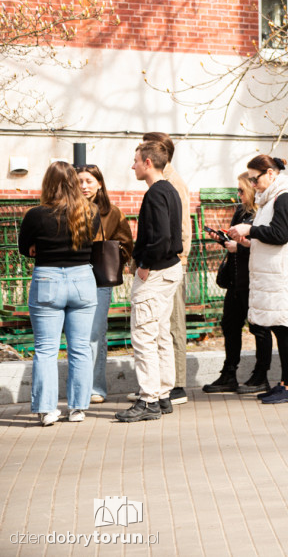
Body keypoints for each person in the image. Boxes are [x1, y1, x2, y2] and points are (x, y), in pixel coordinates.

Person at [19, 161, 99, 425]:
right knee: (80, 348)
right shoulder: (91, 211)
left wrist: (37, 248)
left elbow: (24, 247)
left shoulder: (35, 214)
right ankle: (77, 408)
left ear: (47, 183)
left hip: (47, 279)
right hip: (82, 280)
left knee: (45, 349)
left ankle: (46, 410)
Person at [227, 155, 288, 404]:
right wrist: (248, 241)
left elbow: (280, 234)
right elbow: (270, 236)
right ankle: (285, 383)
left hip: (282, 275)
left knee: (284, 328)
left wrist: (249, 229)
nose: (253, 184)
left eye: (255, 178)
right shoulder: (271, 198)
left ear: (271, 173)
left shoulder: (287, 196)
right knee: (278, 326)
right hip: (273, 272)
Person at [116, 142, 184, 422]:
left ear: (147, 162)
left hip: (155, 272)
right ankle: (163, 394)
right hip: (169, 270)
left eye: (135, 161)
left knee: (144, 337)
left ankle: (148, 401)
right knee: (160, 335)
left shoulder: (156, 193)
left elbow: (162, 238)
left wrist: (144, 264)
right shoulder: (170, 189)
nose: (132, 166)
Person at [141, 132, 191, 405]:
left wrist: (180, 258)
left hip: (170, 263)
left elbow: (180, 226)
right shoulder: (161, 182)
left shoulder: (170, 183)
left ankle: (176, 385)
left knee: (171, 325)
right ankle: (161, 385)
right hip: (169, 261)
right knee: (162, 325)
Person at [77, 164, 133, 404]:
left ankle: (95, 388)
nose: (83, 186)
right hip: (74, 275)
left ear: (99, 183)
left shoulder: (113, 213)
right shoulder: (68, 210)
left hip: (100, 277)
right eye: (79, 181)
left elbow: (127, 244)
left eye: (89, 181)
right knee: (77, 334)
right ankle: (79, 387)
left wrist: (111, 249)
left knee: (95, 332)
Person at [203, 173, 261, 394]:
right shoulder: (241, 211)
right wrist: (224, 241)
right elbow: (236, 242)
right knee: (229, 325)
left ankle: (259, 374)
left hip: (251, 280)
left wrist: (240, 248)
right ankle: (229, 373)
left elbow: (260, 246)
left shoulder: (260, 213)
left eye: (241, 190)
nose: (238, 195)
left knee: (257, 328)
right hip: (235, 280)